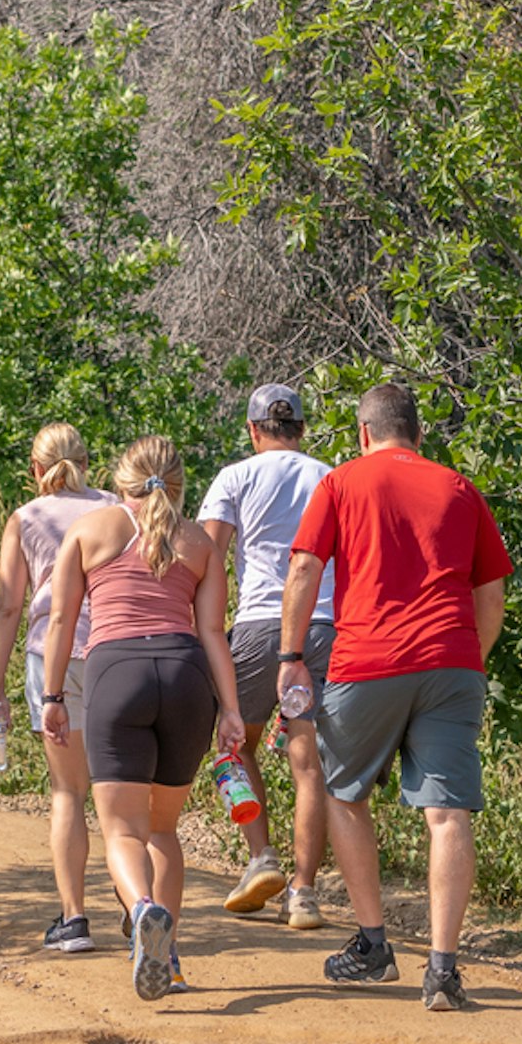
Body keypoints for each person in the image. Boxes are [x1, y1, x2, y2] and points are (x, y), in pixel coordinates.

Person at [280, 382, 512, 1011]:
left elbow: (304, 568)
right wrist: (469, 657)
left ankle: (375, 946)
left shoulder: (342, 482)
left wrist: (291, 658)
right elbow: (490, 595)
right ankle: (442, 970)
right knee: (448, 812)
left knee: (343, 792)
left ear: (363, 432)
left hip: (368, 659)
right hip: (453, 660)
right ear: (419, 432)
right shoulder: (460, 488)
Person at [40, 437, 246, 1003]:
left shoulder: (90, 530)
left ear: (120, 478)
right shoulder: (199, 541)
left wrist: (53, 695)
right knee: (162, 829)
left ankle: (143, 910)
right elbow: (212, 633)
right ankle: (170, 956)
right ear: (178, 483)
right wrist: (230, 709)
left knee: (123, 831)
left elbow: (61, 620)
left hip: (117, 675)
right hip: (185, 679)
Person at [195, 383, 334, 923]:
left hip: (259, 626)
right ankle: (304, 892)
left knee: (232, 744)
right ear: (302, 429)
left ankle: (260, 857)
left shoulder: (235, 477)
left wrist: (199, 629)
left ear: (253, 431)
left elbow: (207, 557)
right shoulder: (328, 475)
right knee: (308, 764)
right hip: (322, 626)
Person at [0, 424, 114, 954]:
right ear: (88, 461)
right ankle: (136, 906)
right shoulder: (115, 507)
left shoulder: (26, 518)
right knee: (116, 787)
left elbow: (10, 605)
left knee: (68, 792)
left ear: (36, 469)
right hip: (112, 648)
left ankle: (74, 917)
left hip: (51, 658)